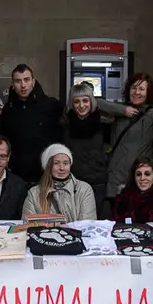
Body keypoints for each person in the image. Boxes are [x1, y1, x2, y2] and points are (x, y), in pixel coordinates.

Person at [97, 73, 153, 203]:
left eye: (141, 89)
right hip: (116, 179)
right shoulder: (119, 112)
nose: (136, 92)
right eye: (133, 88)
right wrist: (123, 110)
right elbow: (95, 103)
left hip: (140, 179)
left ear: (149, 92)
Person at [1, 64, 63, 184]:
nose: (23, 85)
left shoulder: (51, 105)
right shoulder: (8, 110)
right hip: (17, 176)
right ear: (13, 85)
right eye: (18, 81)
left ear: (33, 82)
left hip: (45, 175)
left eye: (27, 80)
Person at [62, 83, 108, 215]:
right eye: (76, 101)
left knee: (94, 220)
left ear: (91, 101)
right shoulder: (65, 124)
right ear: (71, 103)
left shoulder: (103, 122)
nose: (81, 105)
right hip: (72, 181)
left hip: (97, 182)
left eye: (85, 100)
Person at [21, 144, 97, 222]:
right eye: (56, 163)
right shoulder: (34, 193)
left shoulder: (84, 189)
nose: (62, 168)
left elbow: (87, 225)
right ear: (48, 166)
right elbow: (28, 225)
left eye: (65, 163)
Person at [111, 157, 153, 224]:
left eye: (147, 174)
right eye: (138, 174)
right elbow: (114, 225)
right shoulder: (123, 198)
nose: (142, 178)